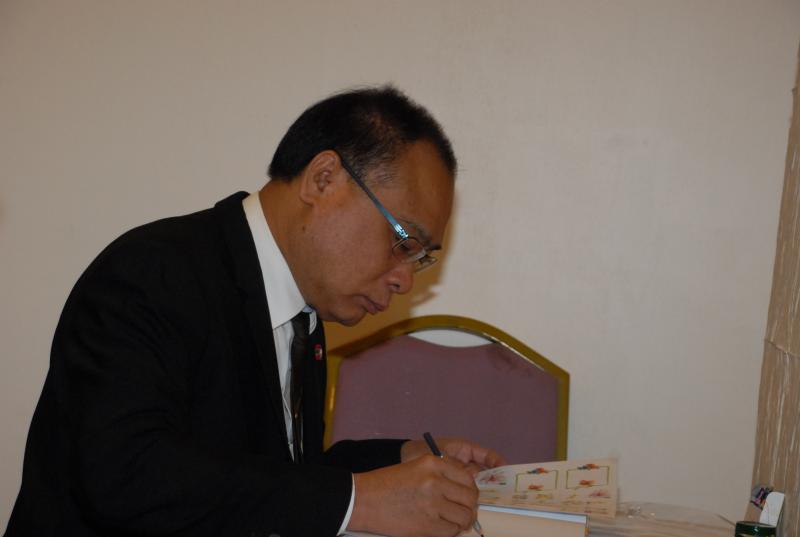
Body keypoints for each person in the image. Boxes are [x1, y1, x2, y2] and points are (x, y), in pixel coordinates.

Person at [4, 86, 504, 537]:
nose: (404, 278)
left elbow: (270, 475)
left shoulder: (305, 314)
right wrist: (359, 501)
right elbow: (126, 475)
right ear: (324, 179)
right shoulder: (152, 272)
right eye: (404, 242)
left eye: (420, 258)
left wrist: (395, 460)